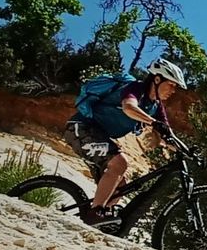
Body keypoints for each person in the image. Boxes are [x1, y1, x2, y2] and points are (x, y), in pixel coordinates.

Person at [70, 59, 187, 224]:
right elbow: (128, 107)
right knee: (120, 163)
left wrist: (187, 151)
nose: (173, 91)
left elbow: (167, 135)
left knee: (121, 186)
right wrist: (153, 123)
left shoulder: (155, 106)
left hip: (99, 135)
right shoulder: (135, 88)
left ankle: (101, 219)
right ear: (157, 79)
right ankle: (94, 214)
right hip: (80, 129)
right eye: (172, 84)